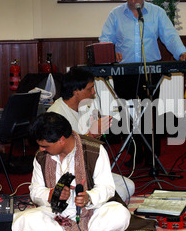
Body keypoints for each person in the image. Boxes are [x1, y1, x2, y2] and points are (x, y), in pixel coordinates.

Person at [100, 0, 186, 167]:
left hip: (150, 71)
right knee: (127, 113)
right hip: (124, 72)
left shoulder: (157, 13)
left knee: (150, 112)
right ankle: (134, 153)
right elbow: (105, 39)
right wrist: (111, 53)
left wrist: (182, 53)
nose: (133, 0)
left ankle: (152, 154)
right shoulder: (115, 14)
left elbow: (170, 36)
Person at [12, 112, 132, 231]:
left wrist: (88, 197)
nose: (41, 149)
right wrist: (51, 195)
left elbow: (107, 187)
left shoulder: (94, 150)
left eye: (45, 146)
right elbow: (35, 191)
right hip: (54, 213)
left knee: (120, 215)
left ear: (61, 140)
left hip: (91, 212)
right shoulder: (41, 157)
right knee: (23, 219)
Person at [48, 66, 135, 202]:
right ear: (76, 91)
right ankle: (85, 205)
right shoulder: (55, 115)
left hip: (89, 170)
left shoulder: (86, 105)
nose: (94, 92)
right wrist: (91, 135)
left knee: (129, 186)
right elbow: (62, 155)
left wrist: (98, 133)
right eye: (90, 88)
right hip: (69, 176)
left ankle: (92, 204)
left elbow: (92, 145)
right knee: (119, 192)